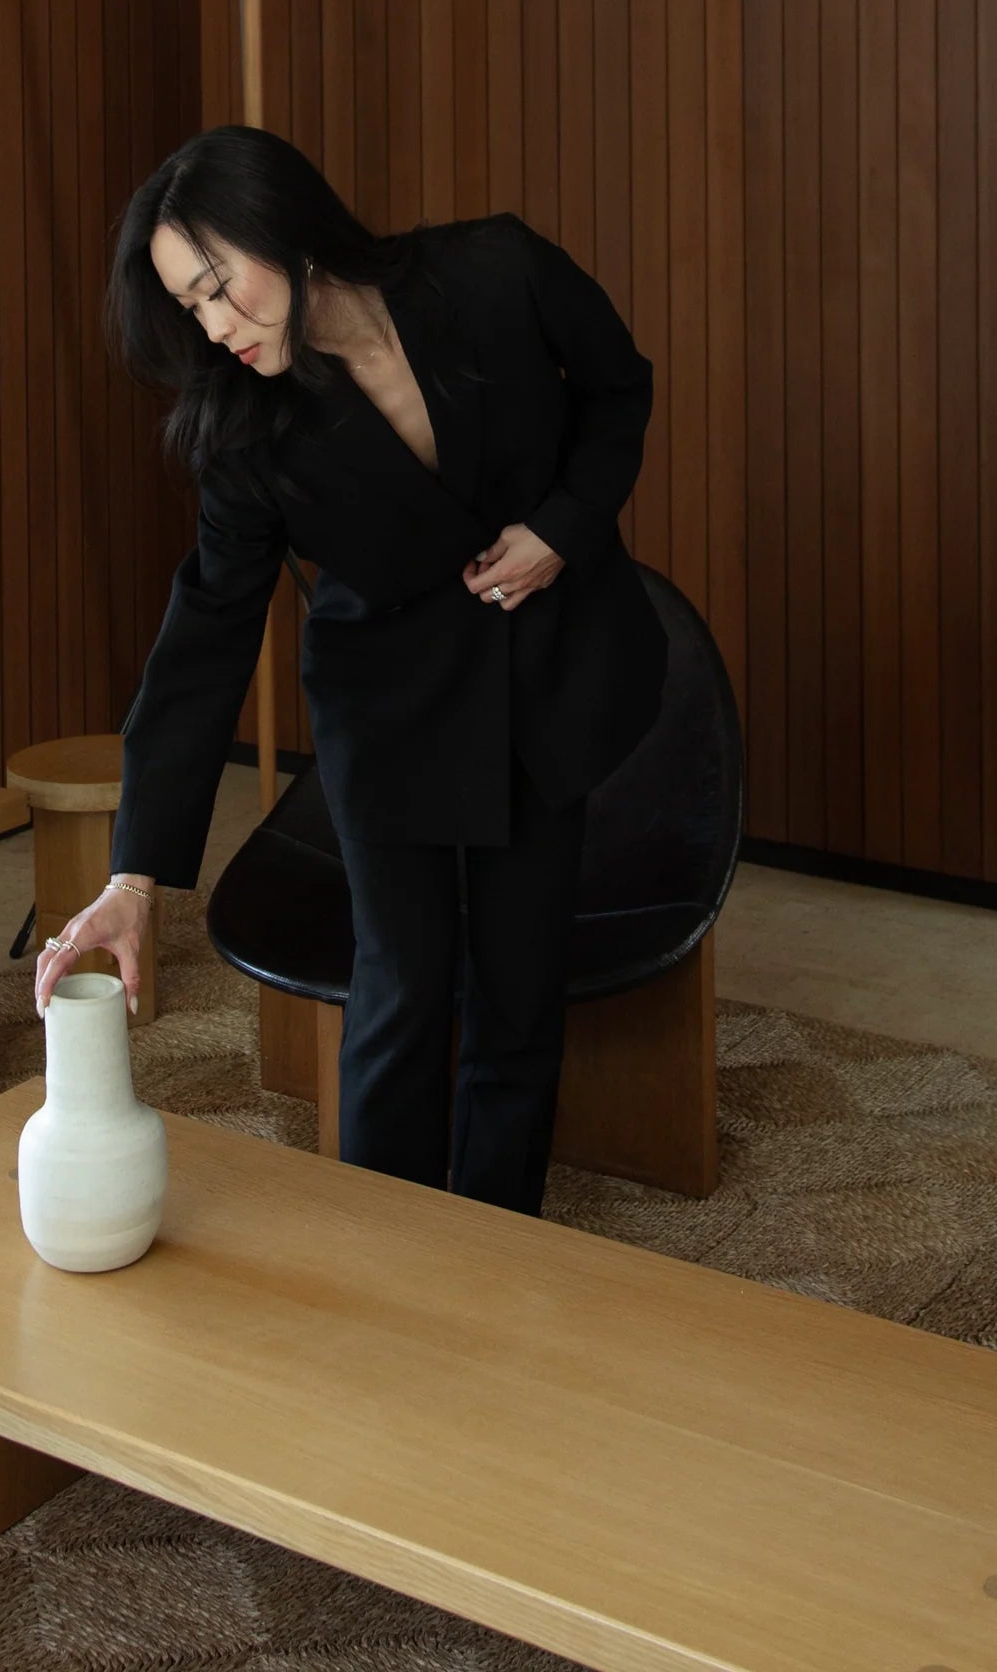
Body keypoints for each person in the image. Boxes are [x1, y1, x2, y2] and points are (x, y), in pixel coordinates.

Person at [34, 126, 667, 1216]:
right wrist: (135, 880)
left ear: (285, 227)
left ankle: (498, 1247)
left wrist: (563, 527)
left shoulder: (498, 272)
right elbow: (206, 632)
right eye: (190, 307)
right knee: (401, 997)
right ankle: (387, 1261)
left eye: (219, 288)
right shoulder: (242, 430)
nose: (214, 327)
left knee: (520, 997)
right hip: (391, 709)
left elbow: (619, 389)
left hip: (541, 681)